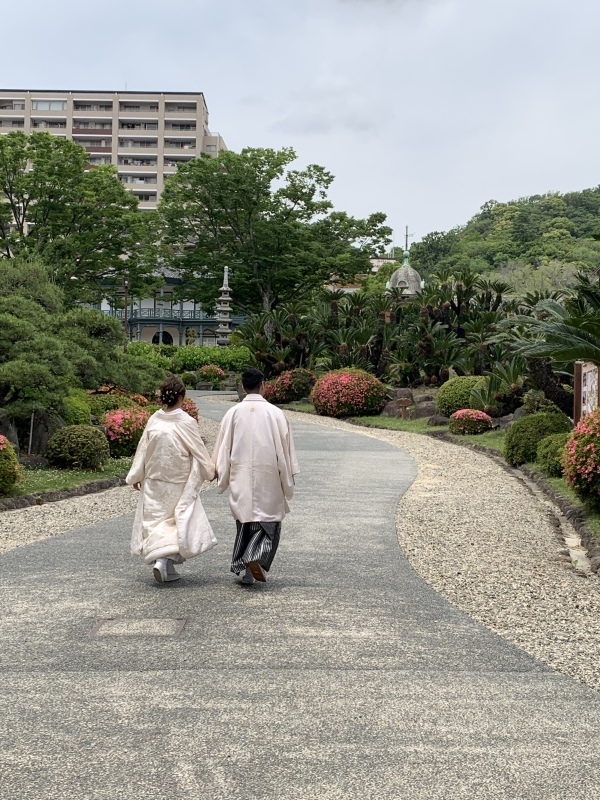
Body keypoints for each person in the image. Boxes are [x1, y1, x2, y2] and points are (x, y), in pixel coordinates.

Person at [126, 376, 217, 585]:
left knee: (156, 521)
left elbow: (143, 449)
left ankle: (165, 563)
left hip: (154, 479)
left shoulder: (154, 420)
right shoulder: (186, 422)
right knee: (177, 520)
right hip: (178, 480)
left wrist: (136, 474)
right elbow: (199, 450)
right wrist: (210, 471)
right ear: (182, 397)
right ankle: (162, 559)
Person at [212, 368, 299, 585]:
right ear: (263, 385)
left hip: (240, 473)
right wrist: (288, 476)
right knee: (268, 522)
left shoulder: (232, 413)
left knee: (245, 520)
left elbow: (223, 448)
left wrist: (219, 472)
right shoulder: (275, 413)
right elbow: (286, 449)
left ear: (242, 387)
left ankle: (248, 570)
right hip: (268, 473)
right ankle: (255, 559)